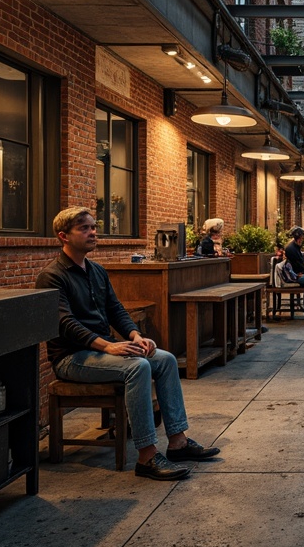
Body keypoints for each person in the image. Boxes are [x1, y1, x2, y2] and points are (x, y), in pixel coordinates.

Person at [36, 206, 220, 482]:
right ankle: (146, 456)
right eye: (84, 228)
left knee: (165, 359)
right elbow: (65, 324)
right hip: (72, 358)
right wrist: (108, 346)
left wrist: (135, 336)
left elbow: (116, 310)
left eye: (93, 227)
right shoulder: (52, 276)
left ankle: (178, 443)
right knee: (138, 367)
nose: (93, 232)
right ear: (64, 236)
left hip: (100, 352)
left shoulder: (96, 271)